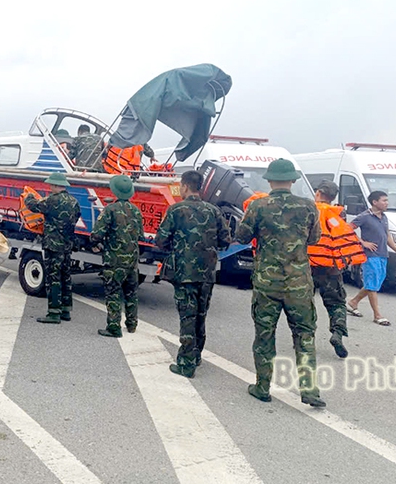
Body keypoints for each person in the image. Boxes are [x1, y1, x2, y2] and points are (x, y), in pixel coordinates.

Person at [235, 159, 326, 407]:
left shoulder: (258, 206)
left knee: (264, 336)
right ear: (293, 180)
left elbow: (242, 236)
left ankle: (262, 387)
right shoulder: (309, 206)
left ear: (269, 180)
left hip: (267, 283)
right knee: (305, 337)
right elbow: (314, 238)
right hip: (299, 283)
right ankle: (310, 391)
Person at [156, 170, 231, 376]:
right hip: (207, 273)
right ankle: (197, 355)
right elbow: (226, 240)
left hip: (184, 272)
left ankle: (186, 363)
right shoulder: (214, 211)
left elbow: (160, 240)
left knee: (187, 316)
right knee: (200, 314)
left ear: (185, 186)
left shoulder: (176, 210)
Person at [307, 180, 367, 359]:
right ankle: (337, 334)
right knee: (337, 303)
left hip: (307, 266)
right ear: (333, 197)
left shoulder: (306, 210)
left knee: (305, 303)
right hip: (331, 268)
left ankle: (307, 337)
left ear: (317, 193)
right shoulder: (338, 213)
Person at [23, 173, 81, 324]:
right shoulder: (74, 202)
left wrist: (28, 196)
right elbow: (76, 217)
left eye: (51, 185)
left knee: (53, 278)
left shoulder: (51, 200)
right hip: (67, 245)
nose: (49, 188)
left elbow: (34, 206)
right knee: (65, 277)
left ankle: (54, 313)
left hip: (53, 245)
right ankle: (66, 311)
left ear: (56, 186)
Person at [91, 175, 144, 338]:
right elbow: (140, 235)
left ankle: (114, 327)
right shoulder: (136, 211)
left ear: (114, 191)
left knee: (113, 292)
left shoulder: (110, 210)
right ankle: (132, 324)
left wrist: (95, 243)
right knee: (131, 292)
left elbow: (97, 234)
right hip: (132, 260)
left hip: (114, 260)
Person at [345, 191, 396, 326]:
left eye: (387, 200)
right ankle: (377, 315)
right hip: (369, 255)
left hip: (383, 254)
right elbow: (347, 229)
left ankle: (353, 302)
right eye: (384, 200)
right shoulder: (364, 216)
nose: (386, 203)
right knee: (372, 285)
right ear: (374, 202)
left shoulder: (384, 217)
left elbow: (387, 235)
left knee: (375, 283)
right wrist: (362, 242)